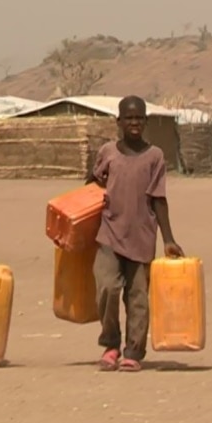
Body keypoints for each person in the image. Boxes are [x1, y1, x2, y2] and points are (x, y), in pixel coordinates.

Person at [86, 95, 184, 372]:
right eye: (129, 118)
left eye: (139, 118)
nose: (134, 123)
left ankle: (133, 351)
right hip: (108, 232)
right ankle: (111, 343)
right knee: (106, 287)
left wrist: (168, 239)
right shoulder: (108, 152)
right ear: (119, 121)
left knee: (138, 296)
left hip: (141, 235)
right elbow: (93, 185)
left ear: (146, 121)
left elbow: (159, 199)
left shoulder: (155, 156)